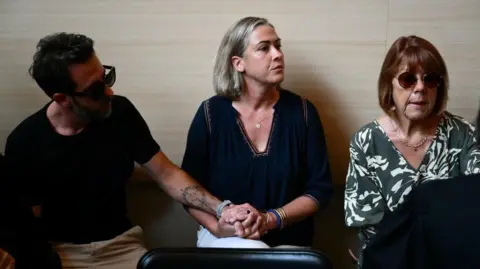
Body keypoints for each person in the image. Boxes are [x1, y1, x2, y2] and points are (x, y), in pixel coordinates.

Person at [4, 32, 260, 269]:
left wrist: (223, 209)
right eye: (95, 90)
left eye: (106, 77)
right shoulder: (26, 142)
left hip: (121, 247)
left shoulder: (120, 113)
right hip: (60, 254)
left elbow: (167, 175)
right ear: (62, 99)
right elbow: (28, 227)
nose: (108, 91)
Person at [181, 16, 334, 248]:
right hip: (225, 236)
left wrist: (269, 220)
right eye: (264, 48)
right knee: (252, 249)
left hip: (290, 240)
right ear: (238, 63)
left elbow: (319, 190)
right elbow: (188, 190)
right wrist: (217, 227)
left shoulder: (303, 112)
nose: (277, 54)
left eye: (278, 46)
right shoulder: (210, 114)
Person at [344, 35, 480, 268]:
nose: (420, 88)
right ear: (389, 85)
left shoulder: (464, 133)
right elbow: (369, 227)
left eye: (430, 79)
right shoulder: (367, 140)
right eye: (408, 79)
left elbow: (473, 207)